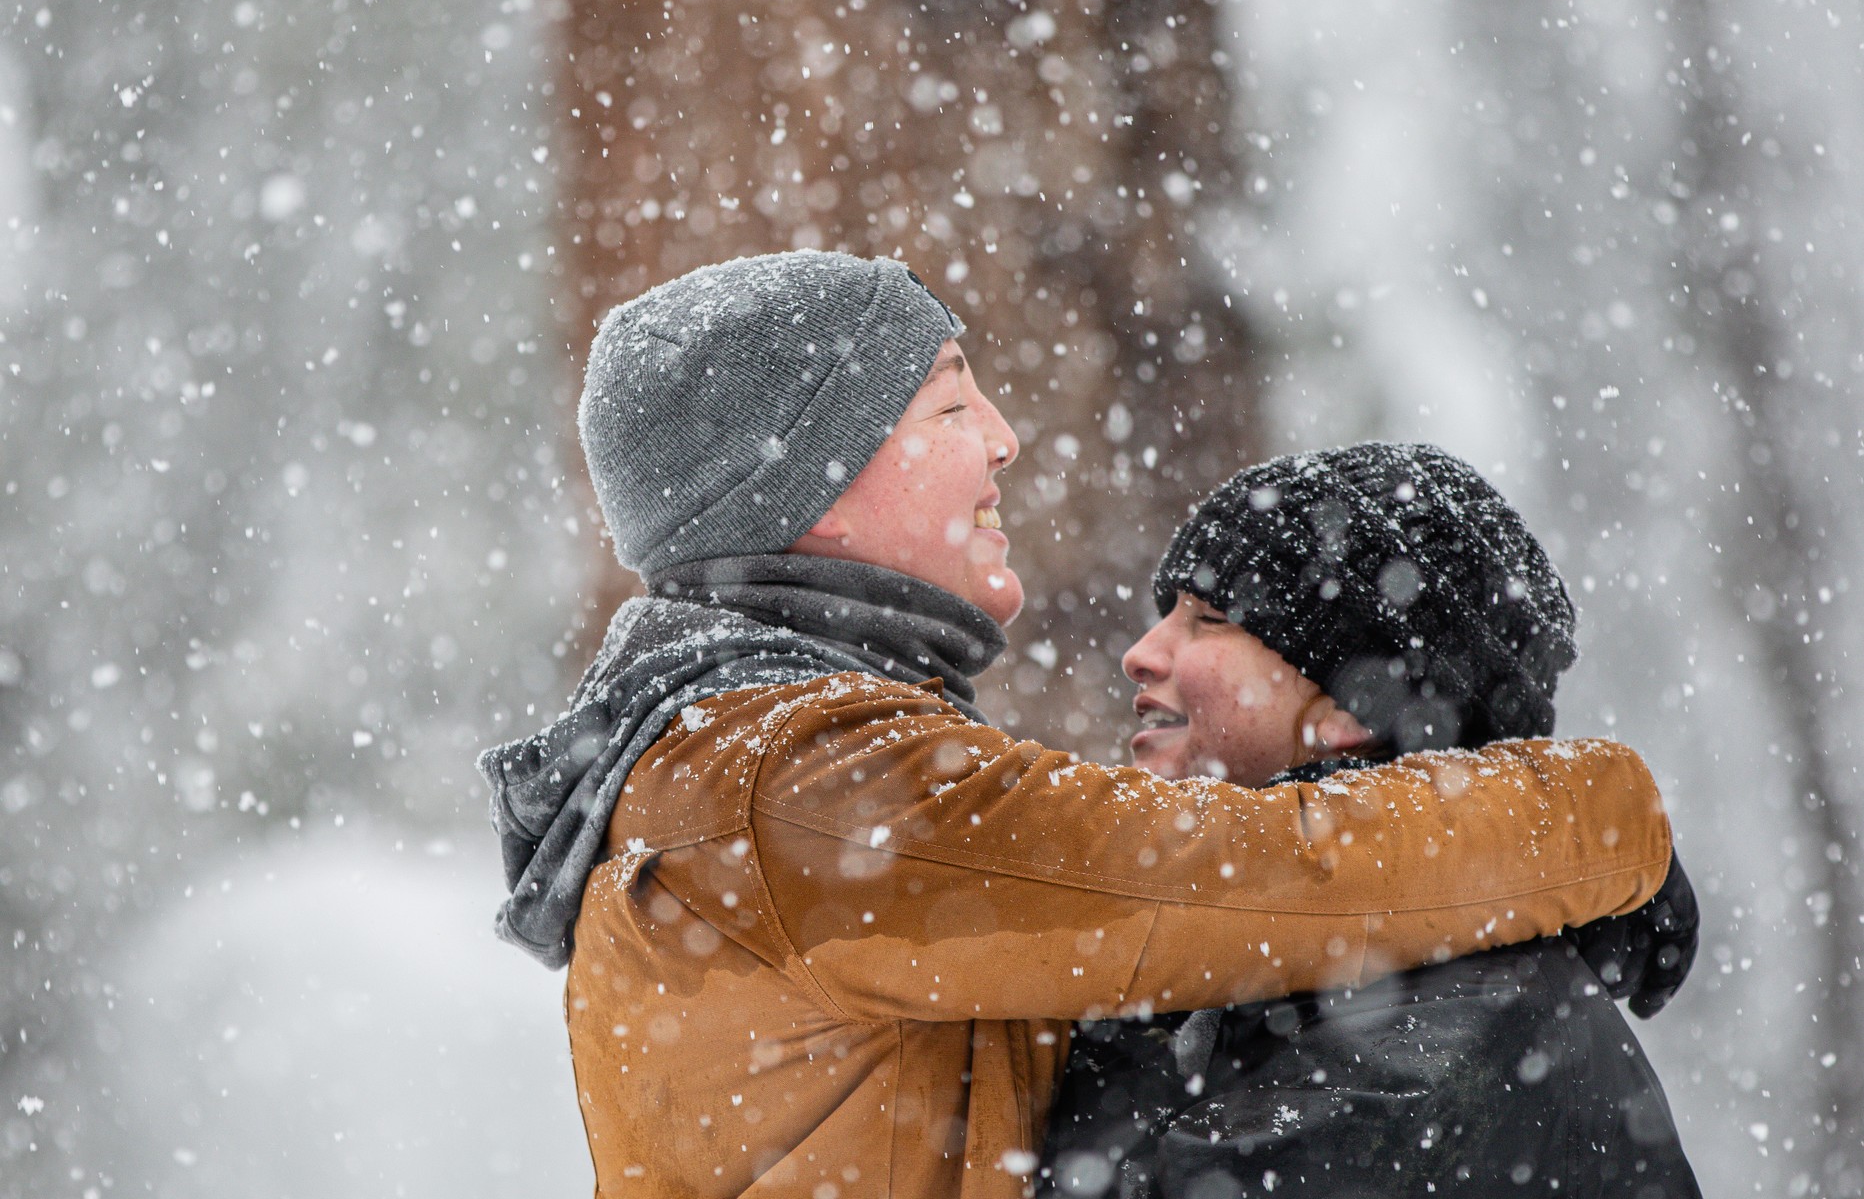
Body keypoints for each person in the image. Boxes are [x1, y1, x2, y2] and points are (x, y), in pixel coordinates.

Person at [476, 252, 1691, 1199]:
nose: (1001, 439)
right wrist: (1595, 820)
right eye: (949, 405)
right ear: (813, 480)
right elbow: (1245, 876)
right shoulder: (795, 778)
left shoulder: (754, 754)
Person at [1038, 444, 1700, 1198]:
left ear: (1360, 703)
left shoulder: (1445, 1033)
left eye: (1210, 619)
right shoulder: (1344, 966)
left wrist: (1095, 1031)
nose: (1140, 654)